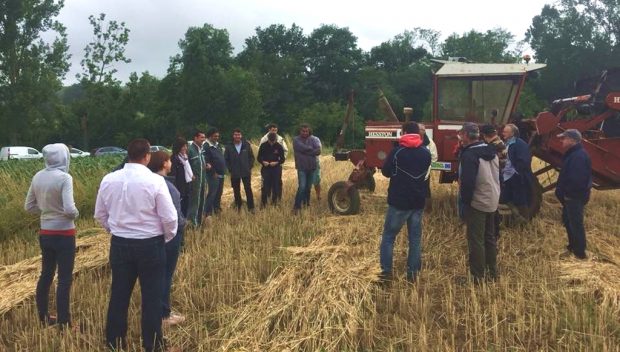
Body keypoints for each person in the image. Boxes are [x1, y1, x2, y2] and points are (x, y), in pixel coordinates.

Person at [95, 138, 178, 352]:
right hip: (150, 245)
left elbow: (100, 215)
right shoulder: (155, 182)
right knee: (151, 297)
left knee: (119, 294)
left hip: (120, 244)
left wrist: (116, 231)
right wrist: (165, 238)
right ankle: (153, 345)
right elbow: (170, 218)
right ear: (147, 156)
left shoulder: (109, 179)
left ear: (128, 154)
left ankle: (114, 343)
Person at [24, 144, 79, 328]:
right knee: (64, 278)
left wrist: (47, 211)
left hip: (45, 232)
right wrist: (73, 214)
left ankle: (43, 317)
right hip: (64, 233)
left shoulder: (38, 176)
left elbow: (29, 206)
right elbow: (70, 209)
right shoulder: (65, 178)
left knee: (46, 274)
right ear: (64, 157)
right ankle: (64, 321)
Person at [379, 122, 431, 283]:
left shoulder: (397, 152)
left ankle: (386, 272)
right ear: (418, 133)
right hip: (417, 201)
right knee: (415, 239)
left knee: (388, 237)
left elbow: (386, 172)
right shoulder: (425, 153)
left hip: (399, 201)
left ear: (404, 132)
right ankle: (413, 273)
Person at [147, 151, 186, 326]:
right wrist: (180, 228)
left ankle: (155, 311)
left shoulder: (145, 183)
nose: (171, 163)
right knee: (165, 275)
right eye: (169, 160)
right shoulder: (167, 187)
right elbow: (174, 218)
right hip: (168, 236)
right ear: (164, 164)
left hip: (150, 237)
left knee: (155, 276)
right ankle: (163, 314)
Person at [459, 122, 501, 283]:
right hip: (492, 199)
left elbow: (468, 182)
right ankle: (493, 272)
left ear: (466, 136)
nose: (460, 137)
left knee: (476, 240)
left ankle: (477, 277)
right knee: (489, 237)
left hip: (478, 201)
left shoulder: (469, 155)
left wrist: (465, 202)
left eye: (461, 134)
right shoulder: (492, 150)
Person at [555, 129, 592, 260]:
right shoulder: (574, 154)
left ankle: (580, 254)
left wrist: (568, 194)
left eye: (564, 138)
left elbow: (578, 180)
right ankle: (573, 247)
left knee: (576, 224)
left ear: (572, 140)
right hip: (570, 197)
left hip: (574, 197)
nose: (562, 141)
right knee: (569, 222)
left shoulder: (579, 156)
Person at [501, 123, 534, 220]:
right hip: (507, 177)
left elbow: (524, 160)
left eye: (505, 132)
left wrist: (516, 172)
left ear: (512, 133)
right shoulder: (507, 143)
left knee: (520, 199)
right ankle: (517, 216)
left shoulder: (520, 144)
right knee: (505, 197)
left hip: (517, 177)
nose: (503, 133)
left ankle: (525, 220)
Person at [481, 124, 507, 239]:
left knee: (493, 207)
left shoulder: (494, 146)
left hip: (496, 177)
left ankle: (495, 232)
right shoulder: (499, 142)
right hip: (499, 176)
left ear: (485, 135)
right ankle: (495, 231)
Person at [292, 123, 322, 213]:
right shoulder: (296, 140)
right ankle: (296, 207)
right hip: (302, 167)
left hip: (312, 167)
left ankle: (306, 204)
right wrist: (311, 150)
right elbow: (300, 147)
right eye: (303, 131)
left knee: (308, 188)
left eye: (306, 131)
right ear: (300, 131)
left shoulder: (313, 139)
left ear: (309, 131)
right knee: (302, 187)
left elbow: (318, 151)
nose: (305, 133)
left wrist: (305, 151)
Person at [224, 128, 255, 211]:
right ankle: (238, 207)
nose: (237, 136)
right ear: (233, 136)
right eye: (235, 135)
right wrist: (230, 169)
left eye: (239, 134)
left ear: (241, 135)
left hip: (246, 172)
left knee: (248, 189)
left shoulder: (246, 145)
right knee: (236, 190)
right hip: (235, 172)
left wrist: (249, 167)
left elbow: (251, 157)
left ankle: (251, 208)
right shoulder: (229, 146)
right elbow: (226, 159)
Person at [259, 123, 288, 201]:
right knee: (265, 184)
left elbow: (285, 151)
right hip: (266, 166)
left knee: (277, 183)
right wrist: (263, 162)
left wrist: (278, 162)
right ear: (269, 130)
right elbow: (260, 154)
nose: (274, 131)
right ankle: (265, 200)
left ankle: (277, 200)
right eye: (272, 130)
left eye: (275, 130)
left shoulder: (280, 139)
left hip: (277, 165)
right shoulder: (264, 139)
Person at [204, 128, 226, 216]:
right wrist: (213, 172)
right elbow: (206, 162)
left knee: (219, 193)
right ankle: (207, 213)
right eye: (215, 136)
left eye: (217, 136)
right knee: (212, 194)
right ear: (210, 136)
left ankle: (216, 210)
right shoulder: (206, 146)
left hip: (221, 174)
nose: (217, 138)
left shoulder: (218, 145)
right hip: (213, 175)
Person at [187, 130, 208, 225]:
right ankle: (192, 225)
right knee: (194, 203)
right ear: (195, 138)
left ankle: (199, 222)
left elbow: (201, 163)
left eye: (204, 137)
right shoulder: (190, 150)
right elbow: (186, 166)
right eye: (201, 137)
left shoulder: (201, 149)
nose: (203, 139)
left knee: (202, 201)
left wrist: (206, 165)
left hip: (203, 180)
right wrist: (191, 175)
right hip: (195, 182)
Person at [170, 137, 193, 218]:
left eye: (186, 146)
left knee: (186, 206)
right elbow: (173, 176)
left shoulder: (185, 157)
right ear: (178, 147)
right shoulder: (174, 159)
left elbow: (188, 170)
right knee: (180, 208)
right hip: (179, 187)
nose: (185, 148)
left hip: (187, 185)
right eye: (183, 146)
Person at [418, 123, 438, 210]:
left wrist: (427, 166)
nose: (421, 131)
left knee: (425, 190)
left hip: (425, 172)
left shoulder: (430, 142)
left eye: (423, 130)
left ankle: (426, 209)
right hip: (411, 172)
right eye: (419, 129)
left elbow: (434, 157)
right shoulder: (411, 141)